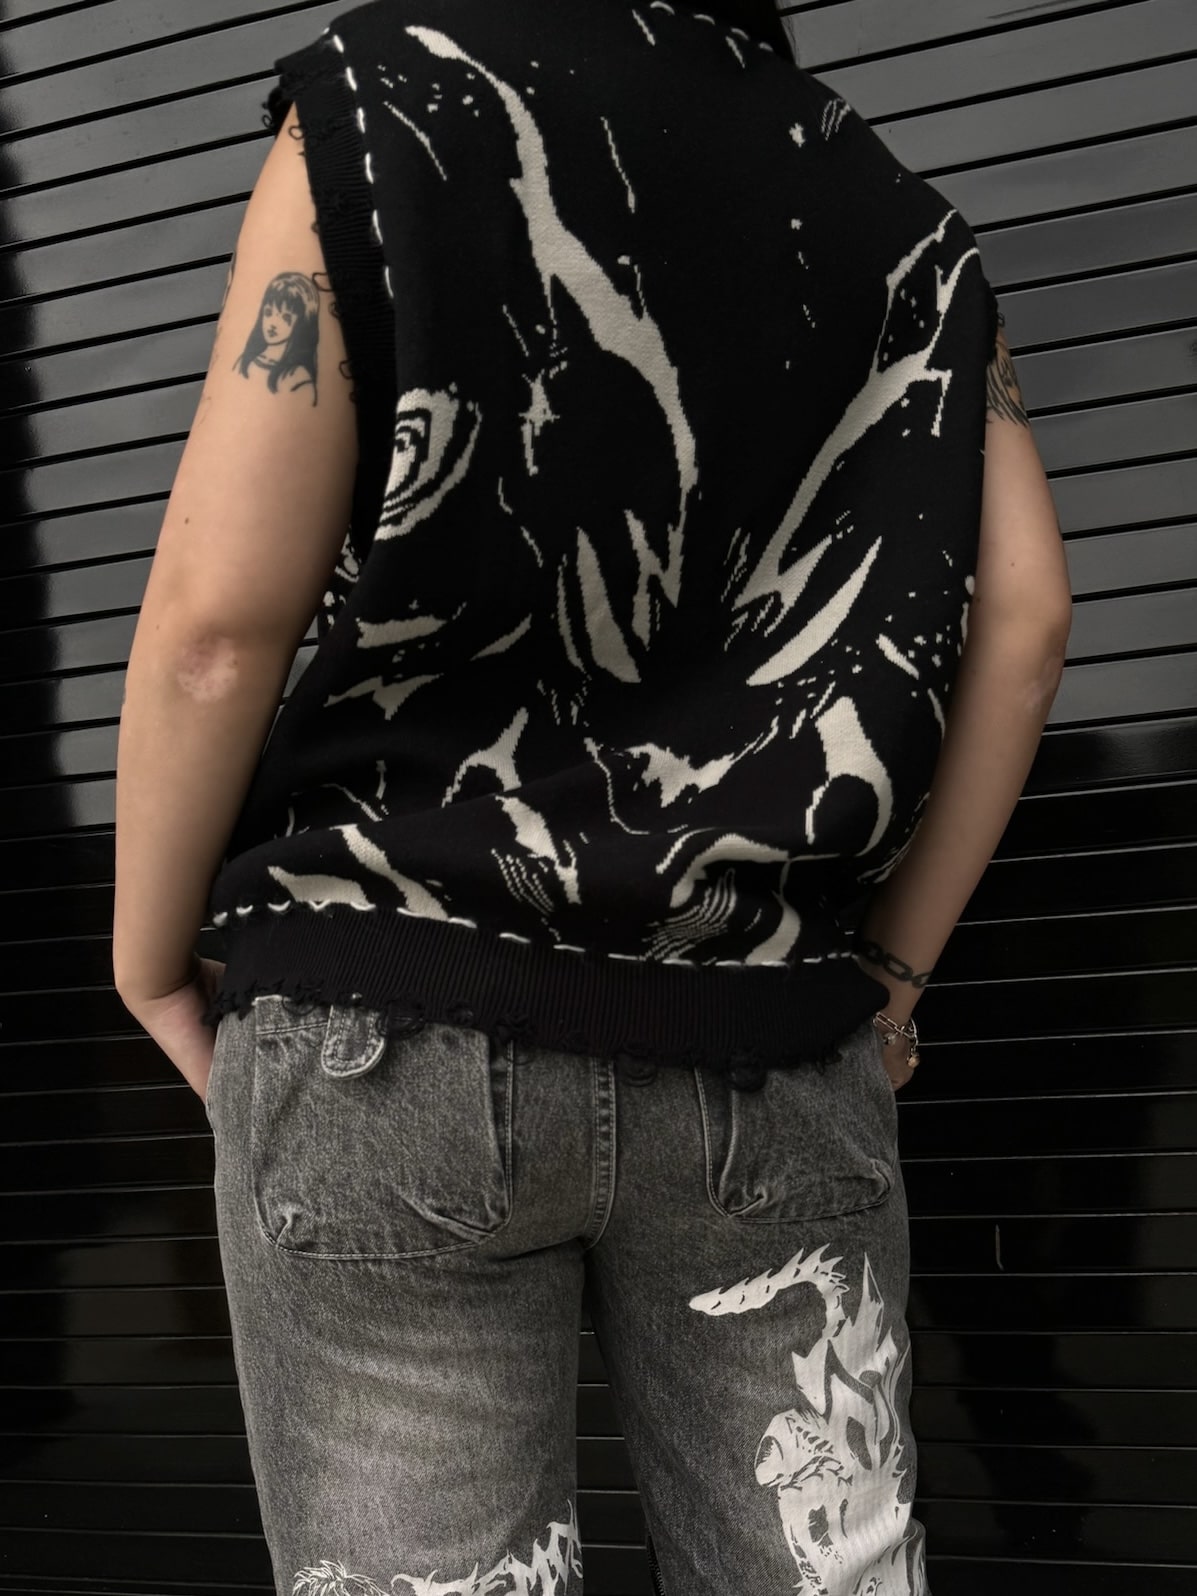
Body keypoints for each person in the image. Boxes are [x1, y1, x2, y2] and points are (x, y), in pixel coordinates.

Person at [112, 0, 1072, 1590]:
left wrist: (149, 952)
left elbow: (218, 628)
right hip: (767, 1033)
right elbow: (1023, 627)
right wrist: (890, 975)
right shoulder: (893, 210)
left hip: (391, 1018)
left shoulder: (394, 97)